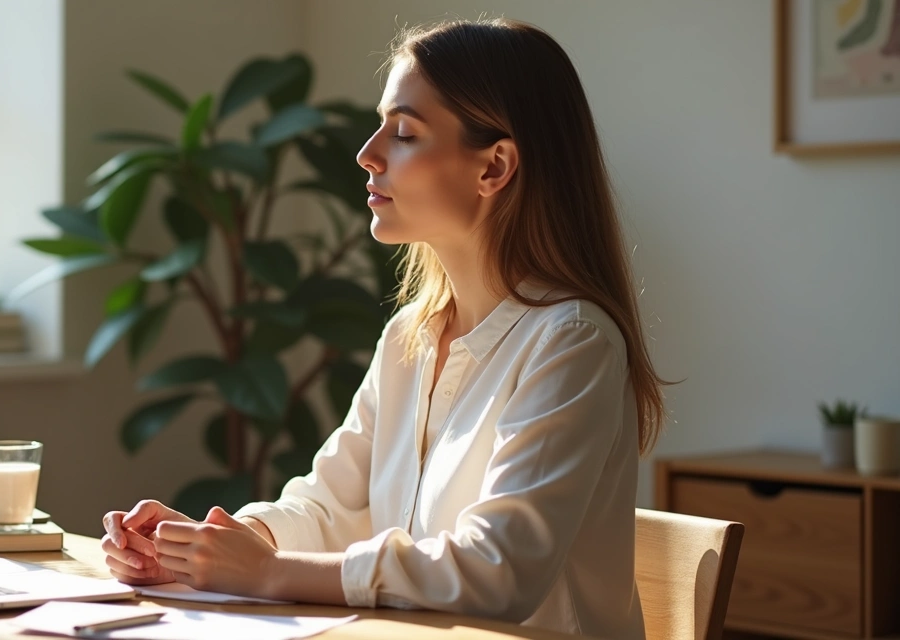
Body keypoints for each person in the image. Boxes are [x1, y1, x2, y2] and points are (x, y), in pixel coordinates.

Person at [101, 17, 669, 638]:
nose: (367, 154)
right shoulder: (410, 336)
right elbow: (332, 503)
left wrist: (267, 573)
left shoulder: (573, 340)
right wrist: (210, 547)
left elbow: (499, 569)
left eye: (403, 132)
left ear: (494, 167)